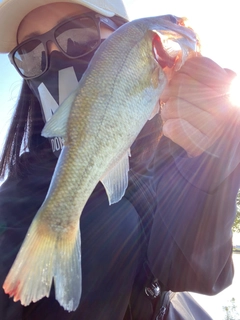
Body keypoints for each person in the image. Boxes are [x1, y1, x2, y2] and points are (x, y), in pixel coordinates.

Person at [0, 0, 239, 319]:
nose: (54, 57)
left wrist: (209, 170)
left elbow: (191, 274)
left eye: (75, 34)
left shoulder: (171, 154)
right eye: (29, 53)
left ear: (118, 33)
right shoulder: (15, 189)